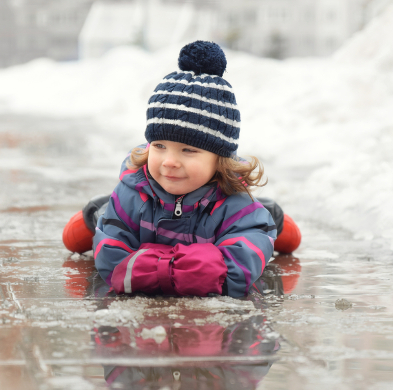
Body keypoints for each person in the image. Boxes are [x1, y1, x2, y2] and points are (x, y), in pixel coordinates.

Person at [62, 41, 301, 298]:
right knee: (72, 238)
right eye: (160, 146)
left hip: (230, 208)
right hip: (134, 209)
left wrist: (155, 263)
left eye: (188, 150)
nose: (169, 161)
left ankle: (272, 214)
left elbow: (237, 273)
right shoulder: (131, 195)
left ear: (219, 158)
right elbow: (112, 263)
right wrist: (190, 265)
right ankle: (97, 211)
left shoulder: (237, 206)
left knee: (285, 236)